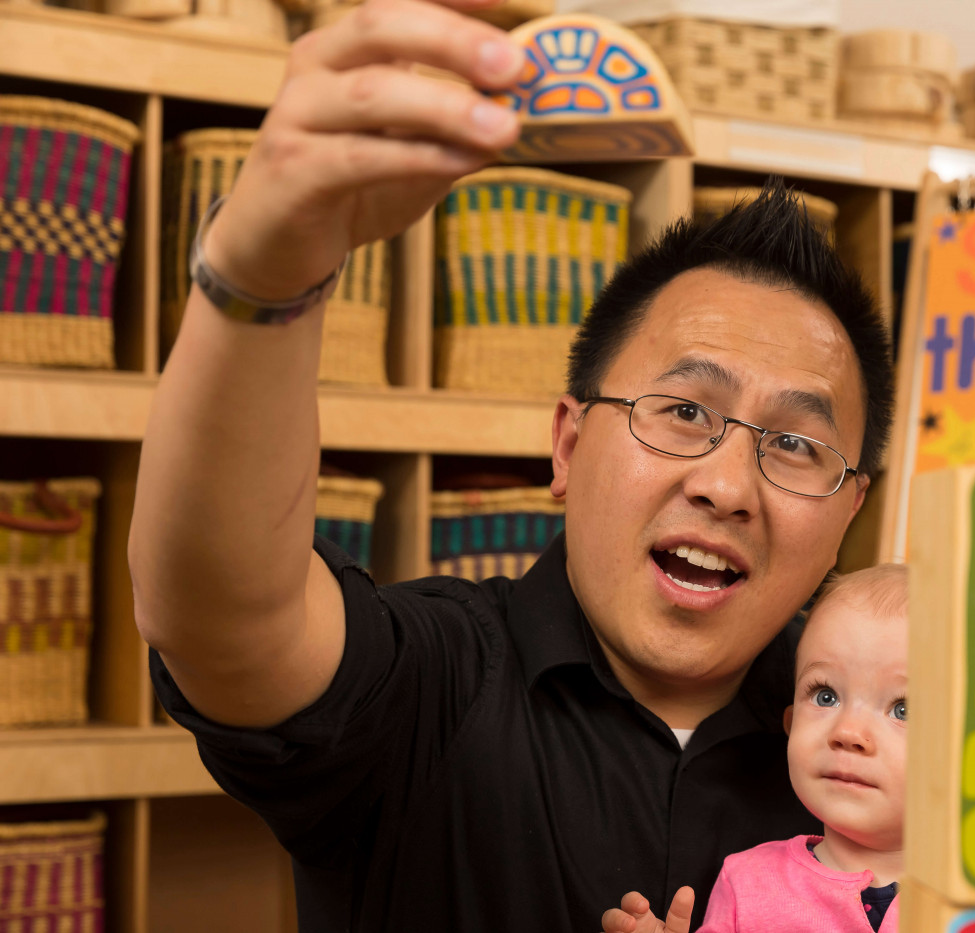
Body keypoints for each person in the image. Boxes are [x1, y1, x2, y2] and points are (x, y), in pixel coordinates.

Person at [125, 0, 896, 928]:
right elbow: (219, 611)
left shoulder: (898, 752)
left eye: (796, 445)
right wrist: (265, 273)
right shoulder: (426, 688)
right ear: (568, 445)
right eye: (685, 412)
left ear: (850, 511)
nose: (726, 486)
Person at [601, 564, 908, 933]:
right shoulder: (747, 883)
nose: (848, 732)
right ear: (791, 724)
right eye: (825, 696)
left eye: (903, 709)